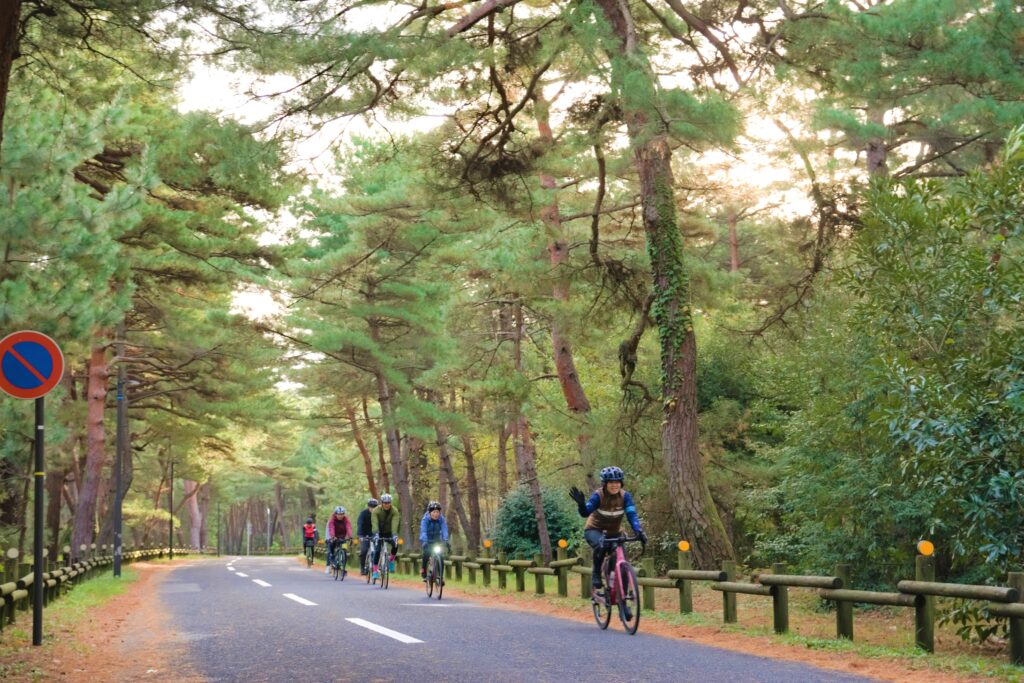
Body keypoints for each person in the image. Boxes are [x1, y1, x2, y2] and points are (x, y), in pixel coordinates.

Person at [569, 466, 647, 598]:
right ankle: (596, 574)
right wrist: (581, 505)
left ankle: (623, 597)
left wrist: (638, 531)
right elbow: (585, 512)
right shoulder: (598, 496)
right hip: (594, 530)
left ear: (621, 483)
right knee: (601, 545)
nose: (614, 485)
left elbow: (631, 515)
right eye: (611, 482)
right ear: (605, 484)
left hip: (615, 533)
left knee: (622, 561)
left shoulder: (625, 496)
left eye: (617, 482)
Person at [370, 493, 399, 579]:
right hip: (378, 532)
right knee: (377, 550)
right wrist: (376, 534)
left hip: (389, 532)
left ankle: (391, 560)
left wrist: (394, 535)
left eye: (388, 502)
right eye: (385, 503)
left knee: (396, 544)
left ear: (391, 502)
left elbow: (395, 523)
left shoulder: (394, 511)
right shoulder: (376, 510)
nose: (387, 504)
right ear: (382, 503)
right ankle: (375, 570)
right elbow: (374, 523)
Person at [418, 501, 449, 581]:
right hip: (427, 540)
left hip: (437, 540)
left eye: (437, 512)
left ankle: (441, 577)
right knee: (426, 553)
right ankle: (423, 570)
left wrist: (445, 539)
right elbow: (423, 531)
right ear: (430, 512)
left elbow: (444, 529)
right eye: (434, 512)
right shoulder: (425, 520)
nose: (436, 514)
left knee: (441, 556)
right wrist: (424, 541)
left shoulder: (441, 519)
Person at [325, 506, 353, 574]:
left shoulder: (346, 520)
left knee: (344, 551)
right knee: (330, 548)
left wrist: (350, 536)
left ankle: (343, 568)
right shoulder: (332, 520)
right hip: (333, 536)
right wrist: (333, 536)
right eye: (339, 514)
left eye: (342, 514)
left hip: (342, 537)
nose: (340, 516)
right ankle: (329, 564)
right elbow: (331, 528)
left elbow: (348, 527)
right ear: (336, 514)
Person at [356, 498, 378, 575]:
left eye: (375, 507)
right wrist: (360, 535)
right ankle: (362, 568)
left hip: (375, 534)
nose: (373, 508)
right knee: (364, 550)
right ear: (368, 506)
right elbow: (360, 524)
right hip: (364, 534)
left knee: (377, 550)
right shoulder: (363, 513)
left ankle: (376, 567)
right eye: (371, 506)